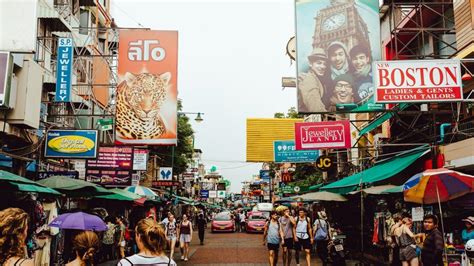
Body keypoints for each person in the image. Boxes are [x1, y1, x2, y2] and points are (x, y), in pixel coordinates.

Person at [298, 47, 331, 112]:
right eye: (319, 63)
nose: (323, 67)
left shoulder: (316, 78)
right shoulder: (309, 79)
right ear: (310, 64)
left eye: (324, 64)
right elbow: (316, 108)